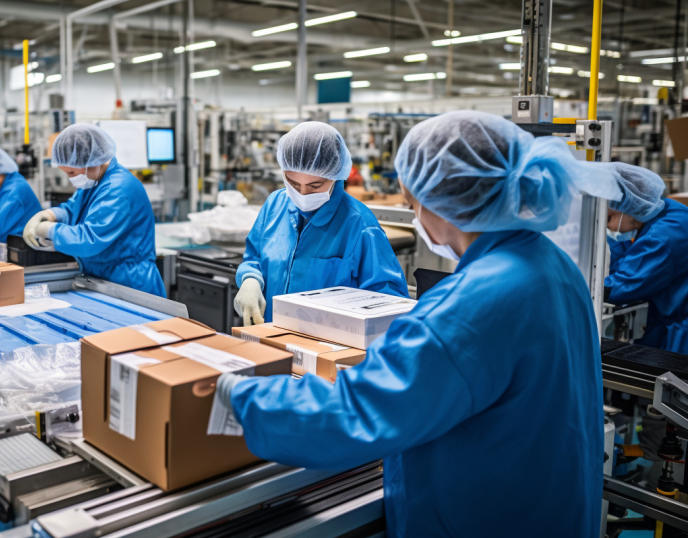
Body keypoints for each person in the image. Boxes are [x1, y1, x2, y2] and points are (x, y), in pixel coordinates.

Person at [214, 111, 625, 537]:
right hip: (546, 508)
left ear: (443, 204)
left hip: (483, 518)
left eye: (412, 204)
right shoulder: (551, 265)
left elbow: (356, 414)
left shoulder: (471, 307)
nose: (416, 217)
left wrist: (241, 394)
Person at [233, 121, 408, 325]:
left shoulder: (359, 225)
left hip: (328, 345)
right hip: (272, 333)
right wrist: (251, 279)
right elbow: (254, 256)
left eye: (315, 185)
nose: (303, 193)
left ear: (336, 175)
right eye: (293, 183)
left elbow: (389, 303)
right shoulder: (274, 204)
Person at [22, 124, 165, 297]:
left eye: (72, 172)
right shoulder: (94, 181)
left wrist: (50, 229)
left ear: (91, 161)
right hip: (104, 279)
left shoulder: (119, 188)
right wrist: (49, 215)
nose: (71, 179)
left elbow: (89, 239)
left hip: (130, 284)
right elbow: (72, 210)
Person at [604, 163, 688, 353]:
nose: (607, 226)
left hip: (680, 334)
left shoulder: (662, 239)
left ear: (629, 206)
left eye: (608, 218)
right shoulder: (666, 209)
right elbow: (627, 259)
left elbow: (623, 287)